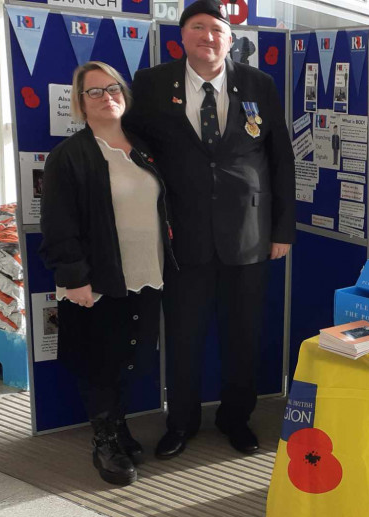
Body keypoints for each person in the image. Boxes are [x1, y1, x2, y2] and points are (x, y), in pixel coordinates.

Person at [125, 0, 295, 459]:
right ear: (182, 37)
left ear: (230, 38)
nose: (208, 36)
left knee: (243, 335)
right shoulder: (153, 83)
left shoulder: (259, 83)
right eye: (198, 27)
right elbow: (134, 145)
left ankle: (234, 418)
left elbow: (281, 159)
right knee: (184, 335)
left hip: (249, 234)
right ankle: (180, 422)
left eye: (217, 29)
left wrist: (282, 230)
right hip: (182, 235)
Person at [40, 61, 177, 486]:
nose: (106, 97)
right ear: (80, 103)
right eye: (94, 92)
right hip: (98, 279)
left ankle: (119, 428)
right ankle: (104, 442)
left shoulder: (142, 145)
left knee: (127, 358)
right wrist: (75, 277)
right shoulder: (70, 156)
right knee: (98, 362)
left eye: (113, 88)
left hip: (146, 272)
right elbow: (58, 224)